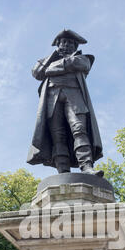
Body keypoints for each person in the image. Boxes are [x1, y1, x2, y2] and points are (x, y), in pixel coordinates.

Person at [27, 29, 104, 177]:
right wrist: (52, 57)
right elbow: (37, 73)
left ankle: (87, 167)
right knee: (58, 136)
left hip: (74, 98)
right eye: (63, 42)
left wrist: (51, 69)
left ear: (75, 46)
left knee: (79, 130)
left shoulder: (83, 58)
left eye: (70, 43)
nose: (66, 45)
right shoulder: (49, 59)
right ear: (58, 45)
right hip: (52, 99)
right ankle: (63, 172)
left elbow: (78, 64)